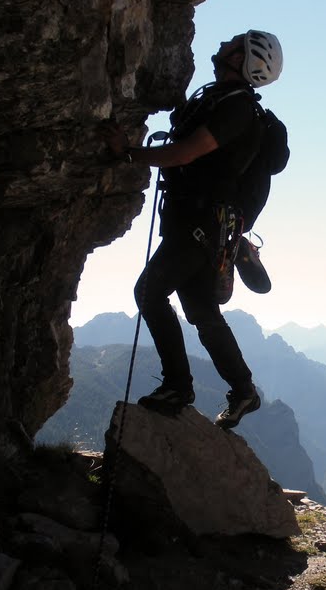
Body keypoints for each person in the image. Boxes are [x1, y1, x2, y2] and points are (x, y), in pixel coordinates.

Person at [103, 30, 283, 429]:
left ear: (243, 59)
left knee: (148, 293)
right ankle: (243, 389)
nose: (224, 44)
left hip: (200, 224)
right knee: (201, 310)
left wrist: (128, 153)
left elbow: (187, 152)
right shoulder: (224, 101)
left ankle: (178, 386)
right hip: (208, 225)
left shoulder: (236, 109)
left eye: (234, 43)